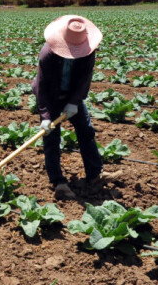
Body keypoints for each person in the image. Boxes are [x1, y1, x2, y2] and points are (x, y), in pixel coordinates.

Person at [32, 15, 121, 200]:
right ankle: (58, 182)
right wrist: (46, 116)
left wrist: (74, 101)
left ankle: (95, 174)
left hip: (72, 96)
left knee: (86, 131)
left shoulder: (88, 52)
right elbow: (42, 86)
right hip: (51, 98)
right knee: (51, 138)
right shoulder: (47, 54)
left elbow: (84, 80)